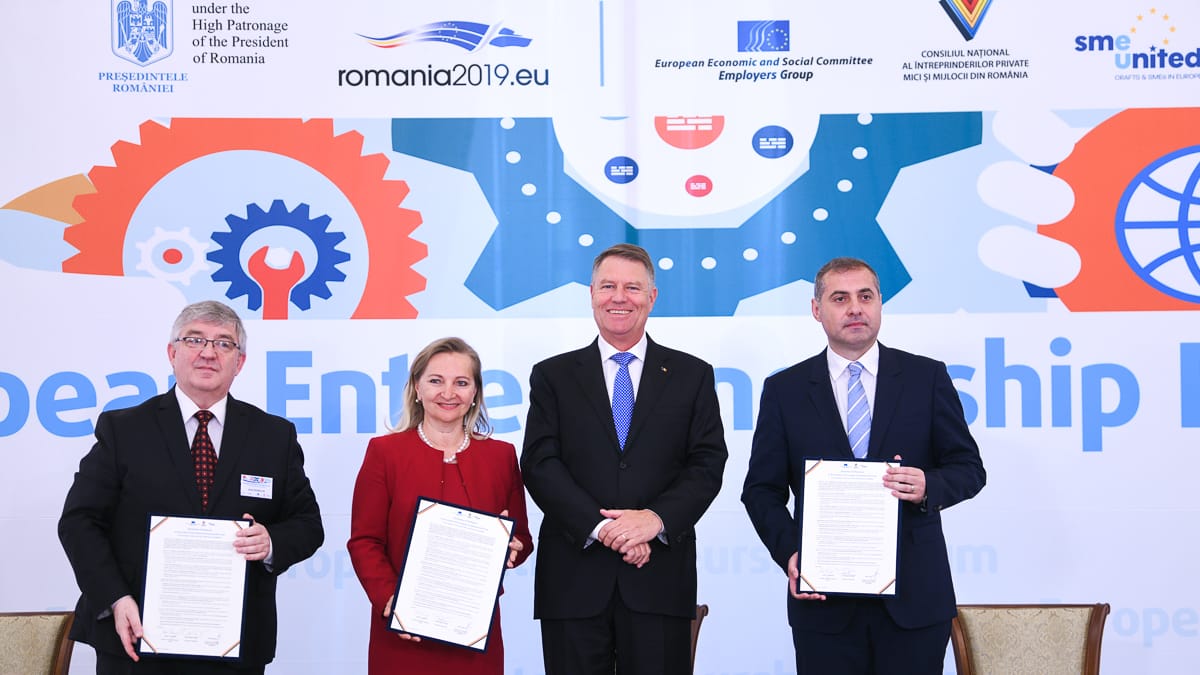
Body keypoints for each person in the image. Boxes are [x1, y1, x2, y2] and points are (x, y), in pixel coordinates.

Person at [741, 257, 987, 674]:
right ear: (817, 309)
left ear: (879, 304)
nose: (855, 308)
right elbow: (761, 491)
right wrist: (791, 553)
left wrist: (928, 485)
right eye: (840, 298)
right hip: (825, 604)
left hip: (915, 601)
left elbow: (969, 468)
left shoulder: (926, 377)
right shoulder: (785, 390)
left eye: (865, 296)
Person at [58, 300, 324, 675]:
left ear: (240, 362)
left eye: (224, 343)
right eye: (195, 340)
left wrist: (271, 542)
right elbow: (79, 522)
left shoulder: (273, 436)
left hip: (236, 644)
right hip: (136, 637)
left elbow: (308, 525)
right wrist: (115, 598)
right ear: (172, 353)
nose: (208, 353)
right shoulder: (124, 429)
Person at [521, 243, 728, 675]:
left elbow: (707, 464)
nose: (619, 297)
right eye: (608, 286)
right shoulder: (552, 375)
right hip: (573, 582)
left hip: (659, 579)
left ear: (652, 297)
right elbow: (540, 464)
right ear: (591, 294)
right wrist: (605, 530)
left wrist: (654, 521)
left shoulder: (692, 375)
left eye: (632, 287)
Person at [347, 337, 533, 675]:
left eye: (461, 383)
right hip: (403, 634)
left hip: (475, 636)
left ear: (475, 392)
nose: (448, 393)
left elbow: (522, 539)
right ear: (417, 388)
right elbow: (365, 541)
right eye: (436, 381)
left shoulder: (501, 456)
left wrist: (512, 547)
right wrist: (390, 599)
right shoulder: (385, 453)